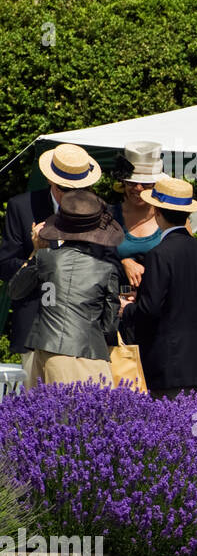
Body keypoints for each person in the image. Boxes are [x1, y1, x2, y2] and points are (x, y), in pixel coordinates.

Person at [0, 143, 100, 383]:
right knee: (35, 409)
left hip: (82, 331)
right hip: (35, 328)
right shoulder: (22, 207)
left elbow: (106, 263)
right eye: (65, 189)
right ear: (51, 183)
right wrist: (37, 253)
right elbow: (5, 265)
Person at [119, 175, 197, 397]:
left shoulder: (159, 254)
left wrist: (126, 309)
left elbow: (150, 308)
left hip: (166, 361)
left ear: (156, 212)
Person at [7, 190, 123, 385]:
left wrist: (36, 251)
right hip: (87, 354)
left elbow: (15, 290)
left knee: (40, 414)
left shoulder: (44, 259)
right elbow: (109, 325)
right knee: (87, 415)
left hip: (42, 350)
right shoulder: (105, 270)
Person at [107, 141, 165, 293]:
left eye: (146, 184)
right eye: (132, 182)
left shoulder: (170, 217)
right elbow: (95, 258)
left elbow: (183, 263)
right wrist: (123, 262)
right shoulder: (109, 216)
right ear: (123, 182)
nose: (138, 188)